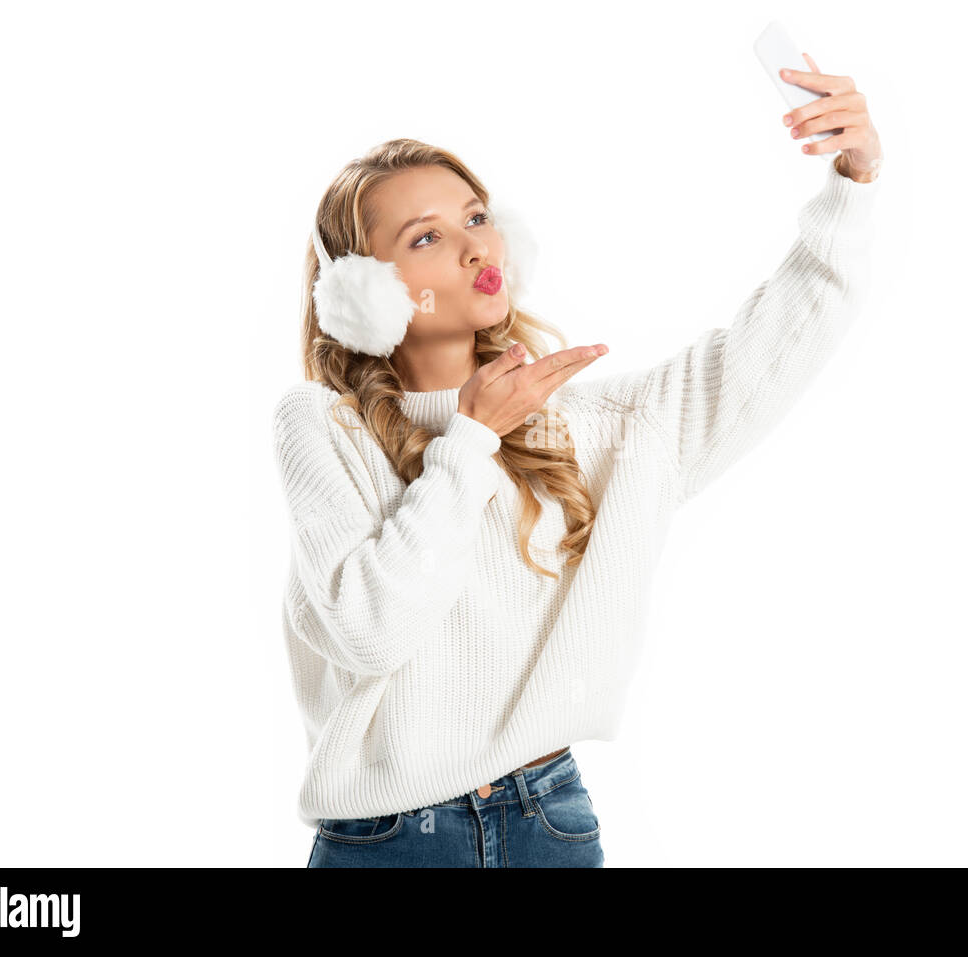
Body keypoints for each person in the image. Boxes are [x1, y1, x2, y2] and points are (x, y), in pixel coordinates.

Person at [273, 56, 884, 867]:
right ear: (364, 292)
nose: (471, 246)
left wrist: (852, 183)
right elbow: (372, 630)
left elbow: (772, 346)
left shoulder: (595, 427)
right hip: (391, 843)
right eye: (426, 237)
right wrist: (472, 441)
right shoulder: (323, 427)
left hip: (547, 823)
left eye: (476, 217)